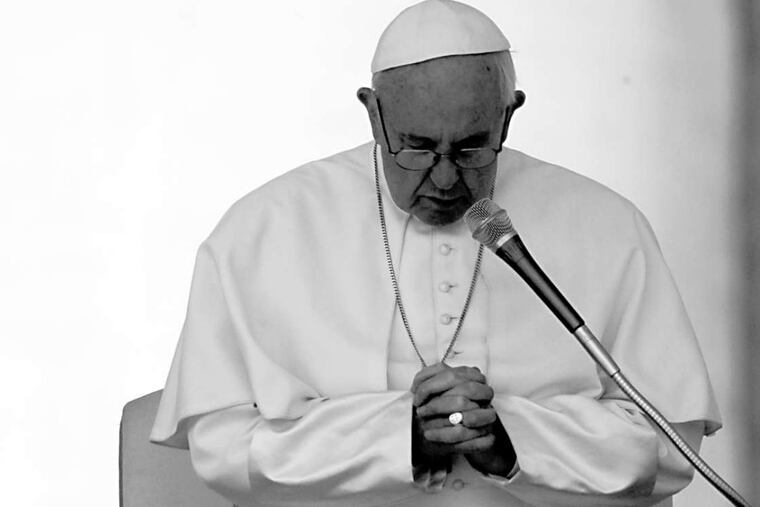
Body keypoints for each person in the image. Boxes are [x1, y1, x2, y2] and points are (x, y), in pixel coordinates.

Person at [150, 1, 721, 506]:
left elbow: (673, 447)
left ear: (509, 114)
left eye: (472, 147)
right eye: (417, 148)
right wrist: (402, 437)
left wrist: (510, 439)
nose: (446, 178)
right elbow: (222, 449)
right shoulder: (264, 230)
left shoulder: (606, 226)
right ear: (373, 114)